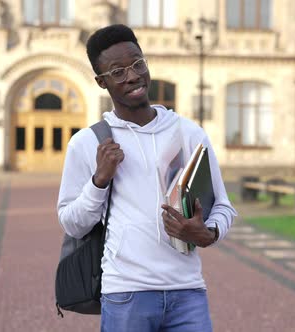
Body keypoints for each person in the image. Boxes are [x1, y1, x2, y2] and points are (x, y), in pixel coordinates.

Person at [57, 24, 237, 332]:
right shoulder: (87, 143)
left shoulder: (189, 132)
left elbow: (223, 206)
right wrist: (99, 180)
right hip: (126, 294)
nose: (132, 76)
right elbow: (72, 222)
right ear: (102, 82)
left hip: (188, 293)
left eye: (137, 63)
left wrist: (207, 233)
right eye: (117, 72)